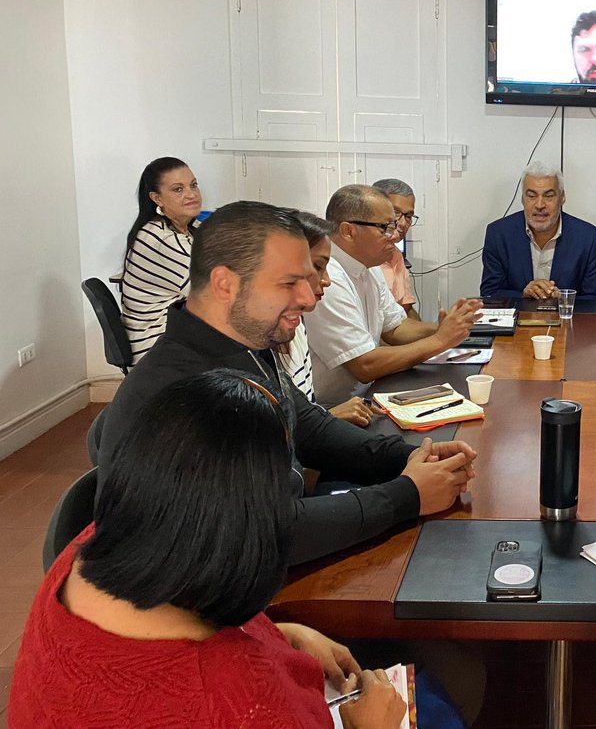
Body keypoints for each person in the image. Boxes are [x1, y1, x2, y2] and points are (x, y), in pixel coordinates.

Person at [12, 370, 414, 728]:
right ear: (256, 531)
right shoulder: (243, 705)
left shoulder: (91, 546)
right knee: (457, 676)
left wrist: (277, 633)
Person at [87, 201, 477, 565]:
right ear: (225, 284)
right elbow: (271, 531)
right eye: (290, 283)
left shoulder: (242, 346)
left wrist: (404, 457)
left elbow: (309, 426)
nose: (309, 299)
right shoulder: (192, 390)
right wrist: (408, 495)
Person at [305, 185, 482, 406]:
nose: (395, 235)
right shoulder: (328, 278)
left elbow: (396, 328)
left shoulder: (370, 267)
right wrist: (440, 340)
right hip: (333, 409)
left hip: (370, 394)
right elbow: (365, 365)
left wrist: (442, 326)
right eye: (385, 228)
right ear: (348, 231)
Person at [276, 210, 386, 427]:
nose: (326, 281)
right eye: (316, 267)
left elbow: (301, 416)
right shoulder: (249, 348)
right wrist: (440, 340)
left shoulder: (296, 328)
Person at [480, 162, 596, 301]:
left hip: (567, 320)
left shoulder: (588, 237)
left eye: (548, 196)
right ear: (522, 199)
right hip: (517, 320)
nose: (540, 205)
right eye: (531, 196)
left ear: (562, 198)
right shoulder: (499, 234)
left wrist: (563, 298)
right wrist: (523, 295)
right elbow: (489, 293)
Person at [119, 156, 203, 361]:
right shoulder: (160, 238)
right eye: (178, 189)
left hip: (179, 334)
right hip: (157, 348)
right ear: (157, 198)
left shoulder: (191, 229)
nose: (191, 194)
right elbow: (209, 292)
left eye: (193, 185)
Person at [371, 177, 435, 335]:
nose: (403, 222)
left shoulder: (396, 255)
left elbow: (406, 311)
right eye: (396, 212)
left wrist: (436, 334)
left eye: (408, 216)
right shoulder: (362, 259)